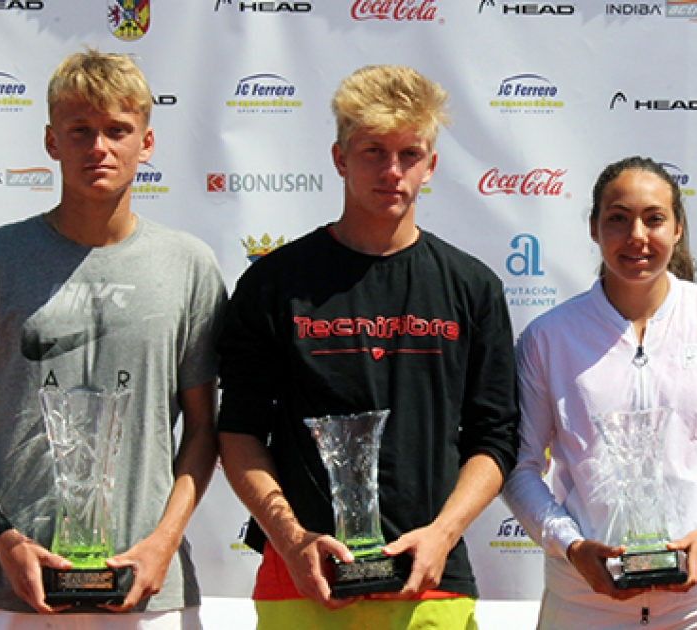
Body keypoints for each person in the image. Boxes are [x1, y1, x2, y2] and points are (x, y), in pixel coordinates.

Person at [215, 64, 518, 630]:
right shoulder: (273, 284)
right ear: (339, 158)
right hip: (301, 580)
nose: (392, 170)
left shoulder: (472, 287)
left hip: (431, 584)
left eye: (410, 153)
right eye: (373, 150)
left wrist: (442, 534)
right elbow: (239, 433)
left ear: (431, 165)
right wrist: (291, 537)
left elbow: (494, 438)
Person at [0, 49, 226, 627]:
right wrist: (3, 540)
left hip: (147, 587)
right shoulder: (1, 258)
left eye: (117, 130)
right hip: (16, 584)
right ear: (52, 142)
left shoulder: (188, 264)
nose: (99, 147)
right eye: (80, 131)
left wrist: (162, 542)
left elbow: (203, 429)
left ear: (146, 143)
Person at [503, 156, 697, 629]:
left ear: (679, 227)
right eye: (618, 219)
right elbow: (520, 467)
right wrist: (572, 547)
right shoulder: (549, 336)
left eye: (654, 219)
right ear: (593, 227)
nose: (637, 236)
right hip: (583, 602)